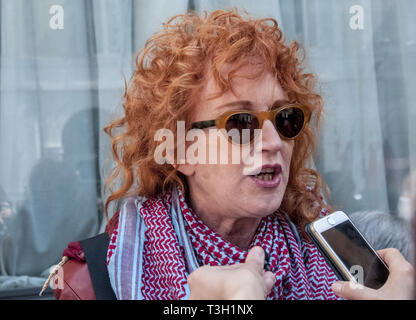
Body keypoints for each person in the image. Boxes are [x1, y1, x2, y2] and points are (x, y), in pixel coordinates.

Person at [52, 9, 414, 300]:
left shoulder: (340, 257)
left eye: (284, 118)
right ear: (180, 151)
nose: (273, 141)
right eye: (241, 123)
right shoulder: (91, 279)